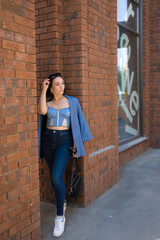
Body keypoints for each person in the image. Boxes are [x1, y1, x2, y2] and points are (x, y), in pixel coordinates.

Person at [38, 72, 92, 237]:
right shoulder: (47, 101)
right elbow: (41, 111)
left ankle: (60, 216)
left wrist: (77, 144)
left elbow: (78, 122)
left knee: (56, 176)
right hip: (48, 140)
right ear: (52, 87)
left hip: (64, 141)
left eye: (62, 83)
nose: (61, 86)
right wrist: (43, 89)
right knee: (54, 176)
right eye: (57, 84)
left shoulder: (72, 101)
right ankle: (63, 202)